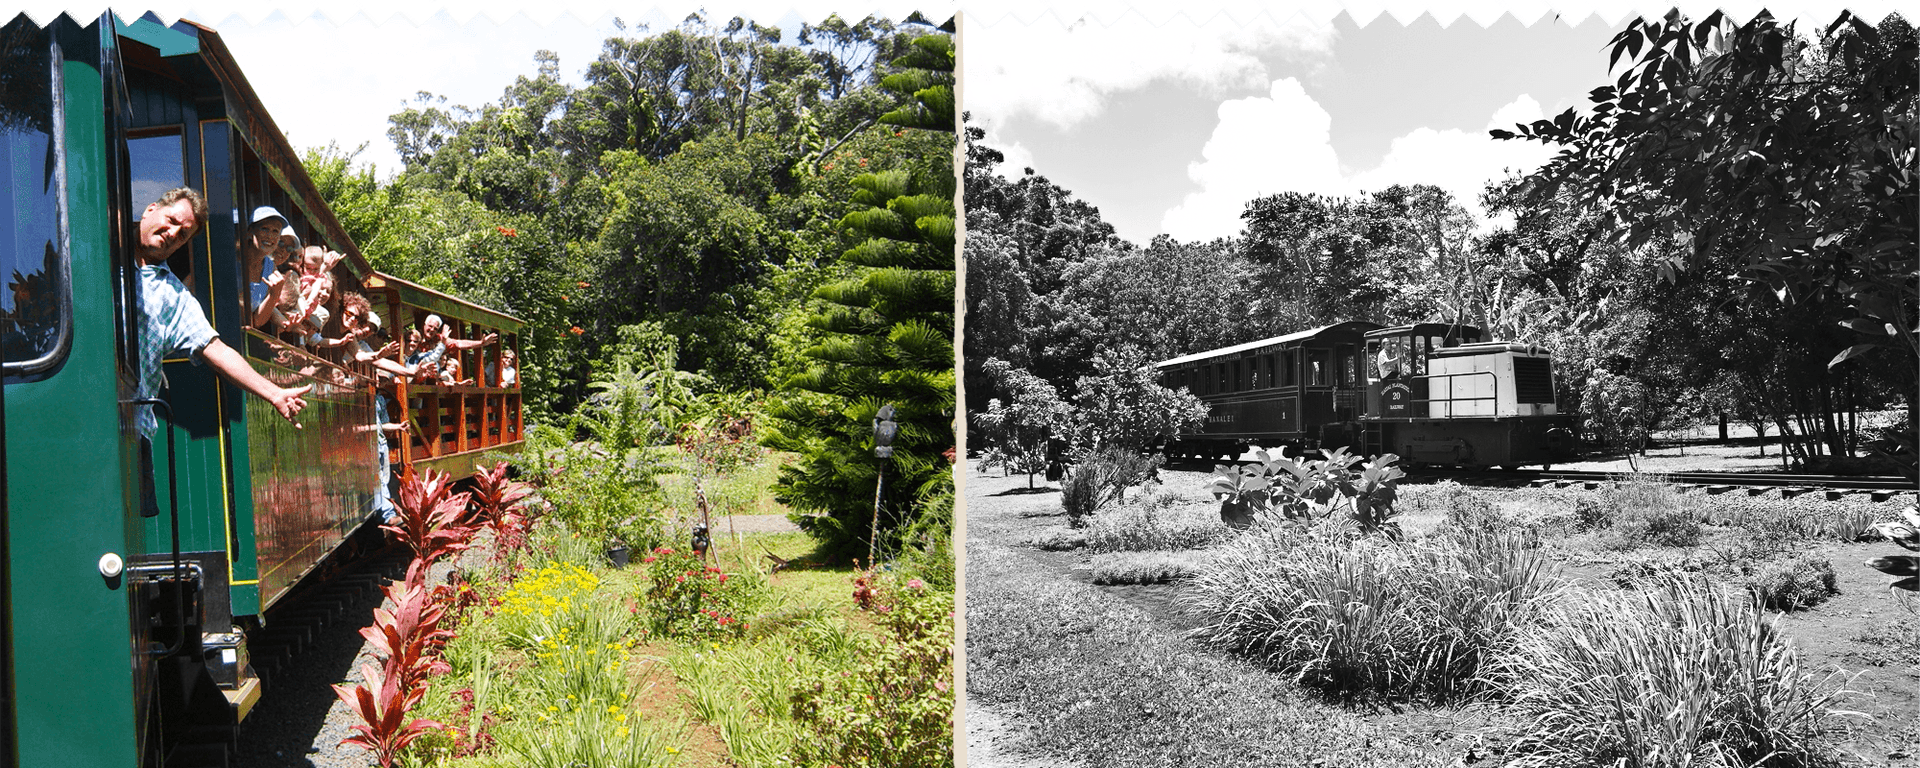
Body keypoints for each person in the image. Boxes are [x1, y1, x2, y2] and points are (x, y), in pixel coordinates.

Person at [134, 188, 310, 517]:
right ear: (150, 210)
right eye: (171, 221)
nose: (173, 233)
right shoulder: (98, 254)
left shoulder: (172, 294)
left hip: (133, 431)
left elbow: (214, 346)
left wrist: (274, 393)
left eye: (183, 233)